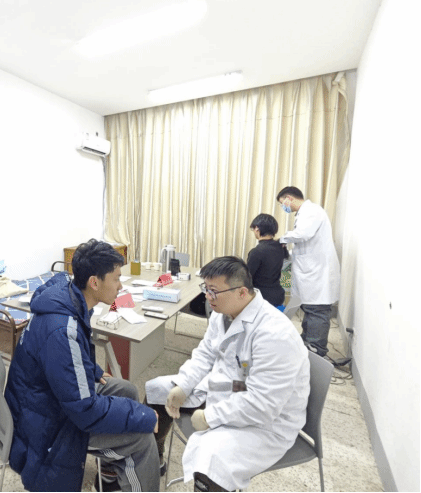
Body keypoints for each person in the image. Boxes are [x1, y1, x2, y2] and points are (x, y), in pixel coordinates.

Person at [4, 239, 160, 492]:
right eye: (117, 279)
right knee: (141, 439)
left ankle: (110, 472)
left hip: (45, 400)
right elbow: (85, 410)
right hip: (47, 423)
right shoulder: (61, 329)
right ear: (94, 283)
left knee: (126, 390)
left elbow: (62, 359)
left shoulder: (68, 299)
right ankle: (129, 462)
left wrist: (92, 369)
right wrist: (144, 416)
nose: (121, 286)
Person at [145, 256, 309, 492]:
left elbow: (263, 404)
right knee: (158, 390)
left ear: (242, 292)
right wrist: (184, 384)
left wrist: (210, 417)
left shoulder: (274, 334)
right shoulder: (223, 313)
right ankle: (153, 459)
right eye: (206, 289)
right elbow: (205, 353)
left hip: (265, 421)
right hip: (229, 388)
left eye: (214, 291)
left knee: (211, 459)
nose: (207, 297)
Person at [276, 187, 340, 357]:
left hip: (317, 273)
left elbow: (303, 235)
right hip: (311, 271)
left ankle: (316, 350)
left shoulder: (311, 211)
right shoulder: (304, 213)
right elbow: (303, 246)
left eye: (283, 203)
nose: (284, 207)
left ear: (289, 198)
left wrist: (282, 239)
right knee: (310, 310)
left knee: (317, 311)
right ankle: (307, 343)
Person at [246, 213, 288, 308]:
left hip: (261, 298)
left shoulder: (256, 252)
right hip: (278, 295)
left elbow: (248, 276)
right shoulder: (281, 247)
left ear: (257, 229)